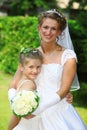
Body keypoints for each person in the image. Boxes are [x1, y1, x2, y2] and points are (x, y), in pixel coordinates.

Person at [8, 9, 87, 130]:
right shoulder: (31, 54)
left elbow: (64, 90)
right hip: (31, 111)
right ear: (39, 28)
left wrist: (39, 109)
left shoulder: (68, 57)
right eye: (45, 27)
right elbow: (13, 84)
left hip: (57, 111)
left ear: (60, 32)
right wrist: (16, 103)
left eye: (53, 28)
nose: (48, 32)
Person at [8, 48, 43, 130]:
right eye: (31, 67)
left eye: (38, 67)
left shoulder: (21, 81)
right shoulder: (29, 85)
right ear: (21, 67)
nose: (35, 71)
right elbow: (17, 113)